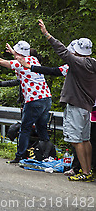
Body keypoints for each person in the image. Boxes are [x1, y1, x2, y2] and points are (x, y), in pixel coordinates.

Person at [0, 40, 52, 164]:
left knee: (25, 129)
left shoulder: (20, 64)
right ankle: (47, 155)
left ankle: (20, 156)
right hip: (47, 98)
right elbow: (22, 56)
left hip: (34, 100)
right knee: (42, 129)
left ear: (18, 53)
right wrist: (14, 52)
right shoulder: (34, 60)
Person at [36, 19, 96, 182]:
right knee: (85, 139)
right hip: (87, 108)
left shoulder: (78, 63)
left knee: (77, 141)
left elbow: (62, 51)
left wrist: (47, 34)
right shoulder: (93, 63)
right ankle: (88, 170)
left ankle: (85, 172)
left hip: (76, 106)